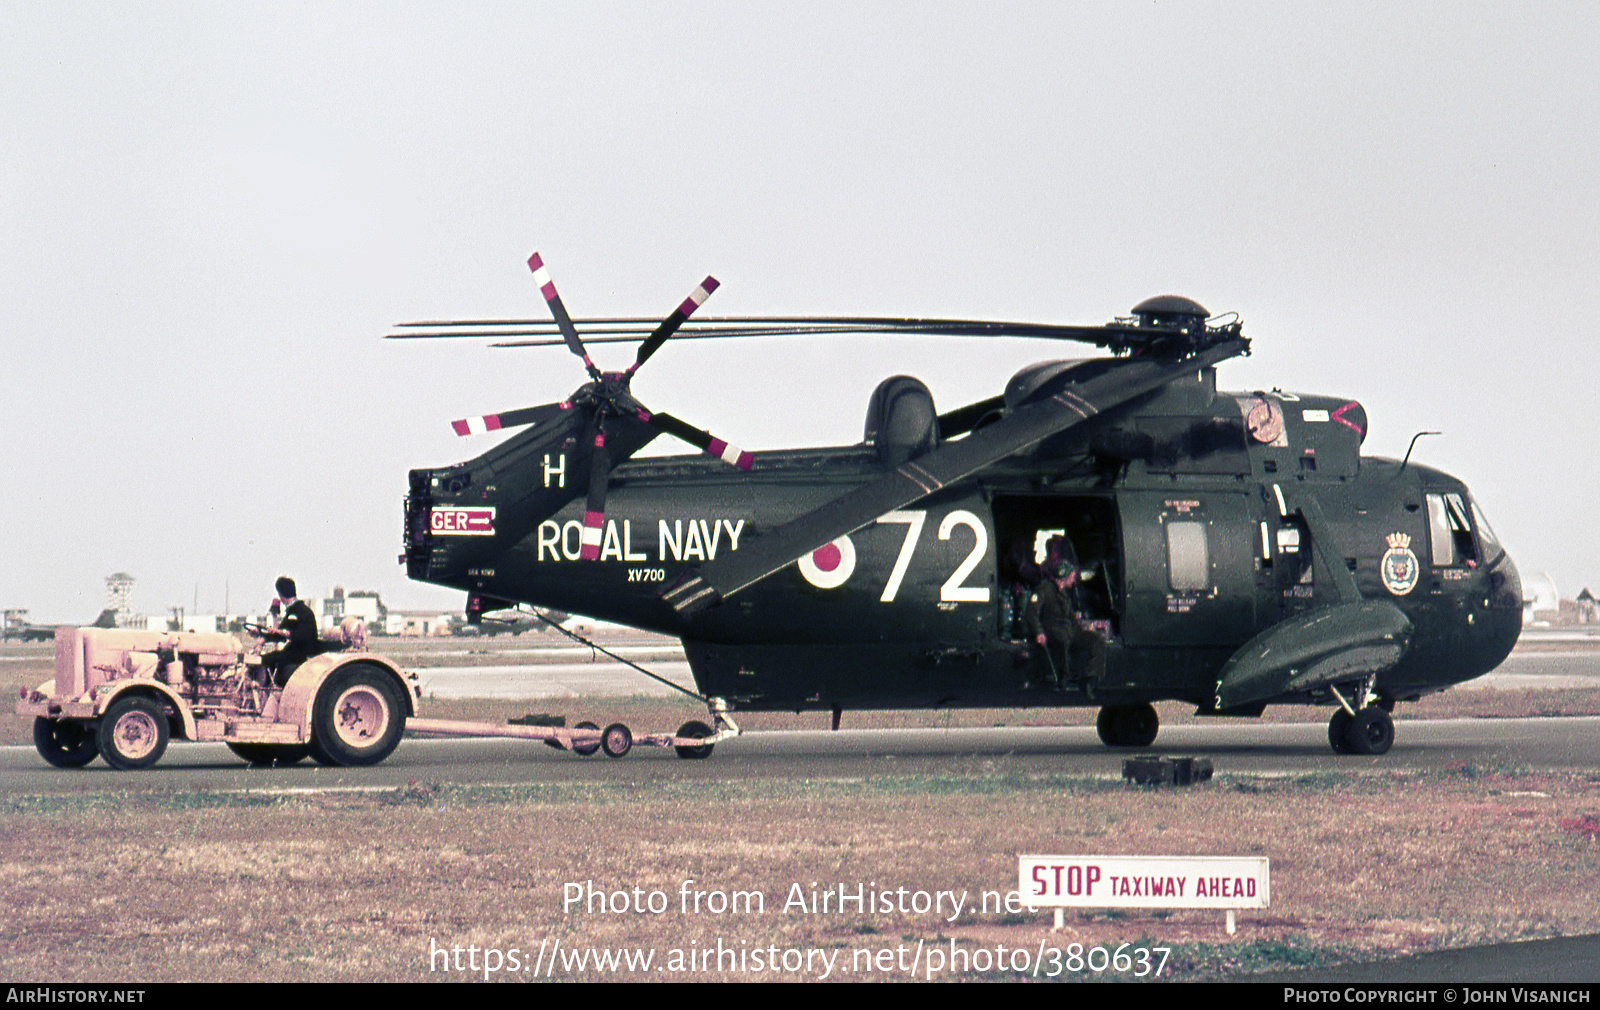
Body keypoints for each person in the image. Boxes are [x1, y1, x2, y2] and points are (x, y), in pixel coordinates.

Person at [1025, 540, 1106, 693]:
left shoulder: (1065, 595)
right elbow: (1031, 612)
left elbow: (1069, 615)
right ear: (1064, 576)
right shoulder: (1044, 590)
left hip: (1069, 631)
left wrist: (1082, 626)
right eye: (1072, 577)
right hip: (1053, 631)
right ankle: (1063, 680)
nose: (1073, 580)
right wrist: (1039, 632)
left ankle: (1089, 678)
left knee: (1097, 640)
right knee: (1062, 639)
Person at [262, 576, 318, 686]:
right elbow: (279, 634)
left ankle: (266, 690)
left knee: (268, 659)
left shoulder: (300, 611)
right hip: (295, 650)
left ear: (281, 595)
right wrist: (261, 634)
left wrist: (286, 633)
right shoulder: (294, 610)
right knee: (272, 656)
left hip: (301, 652)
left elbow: (305, 635)